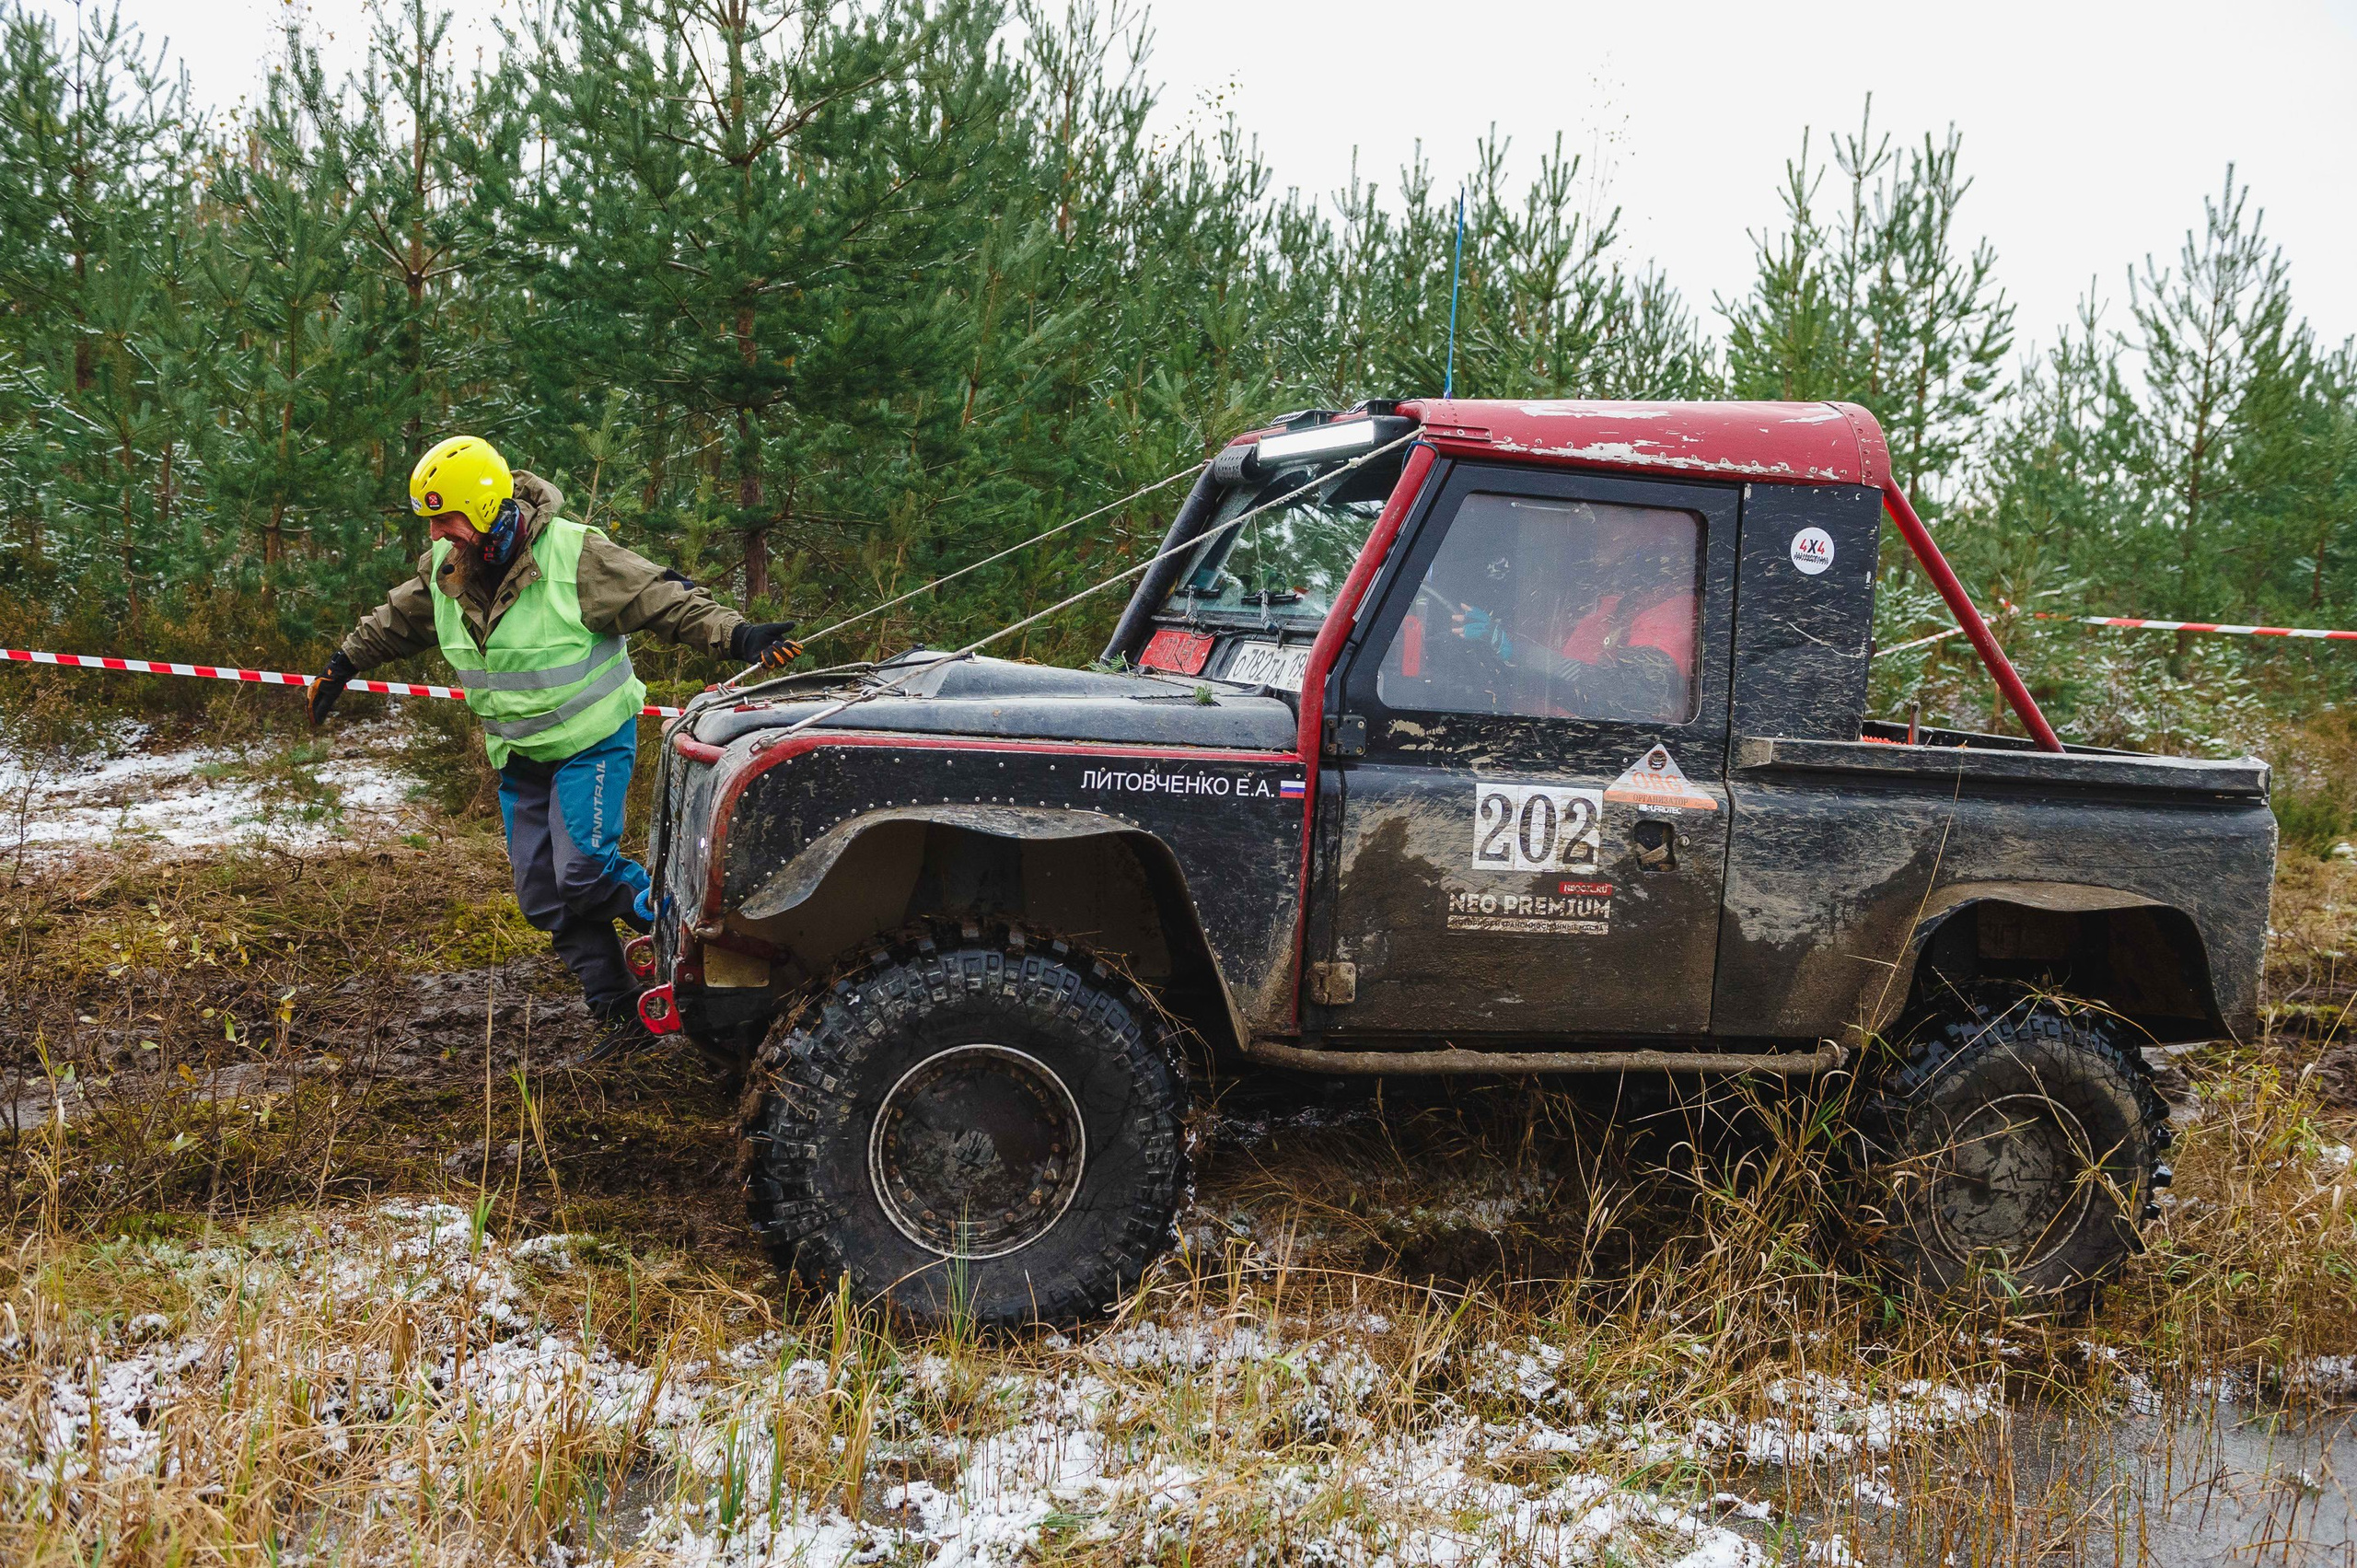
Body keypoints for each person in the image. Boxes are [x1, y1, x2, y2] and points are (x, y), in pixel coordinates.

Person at [306, 436, 802, 1058]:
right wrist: (344, 661)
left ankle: (716, 947)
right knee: (544, 894)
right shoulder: (448, 570)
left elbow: (661, 597)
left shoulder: (573, 555)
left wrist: (738, 634)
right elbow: (398, 619)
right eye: (431, 522)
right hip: (521, 759)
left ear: (485, 510)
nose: (437, 534)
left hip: (591, 744)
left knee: (585, 872)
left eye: (446, 518)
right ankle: (621, 1016)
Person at [1449, 507, 1697, 724]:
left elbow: (1635, 695)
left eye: (1618, 517)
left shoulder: (1672, 609)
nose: (1599, 527)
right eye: (1596, 517)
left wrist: (1521, 653)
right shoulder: (1607, 602)